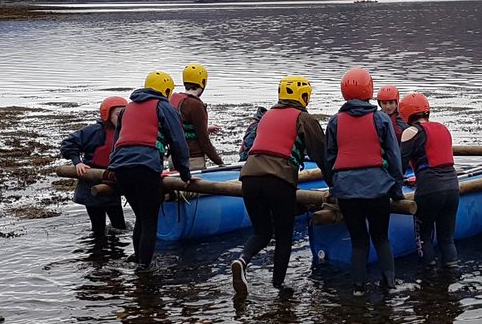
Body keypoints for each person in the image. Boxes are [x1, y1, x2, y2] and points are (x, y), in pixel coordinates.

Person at [232, 75, 327, 296]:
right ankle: (278, 285)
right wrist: (335, 185)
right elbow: (321, 155)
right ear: (303, 96)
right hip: (278, 180)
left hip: (249, 178)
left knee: (262, 232)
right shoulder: (304, 118)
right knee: (284, 235)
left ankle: (242, 260)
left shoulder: (266, 117)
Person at [326, 67, 404, 295]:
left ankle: (358, 287)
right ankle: (389, 284)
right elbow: (393, 156)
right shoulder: (380, 118)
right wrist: (396, 189)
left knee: (358, 241)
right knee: (381, 238)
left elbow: (330, 158)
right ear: (369, 90)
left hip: (347, 193)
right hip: (378, 190)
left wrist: (334, 187)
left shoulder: (335, 121)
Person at [107, 70, 192, 272]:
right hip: (145, 167)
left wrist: (111, 167)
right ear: (167, 90)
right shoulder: (163, 106)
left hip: (120, 168)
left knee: (141, 217)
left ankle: (139, 259)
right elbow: (178, 141)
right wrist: (185, 172)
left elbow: (117, 140)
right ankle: (144, 270)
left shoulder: (128, 109)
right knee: (150, 220)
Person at [398, 92, 460, 268]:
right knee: (447, 239)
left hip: (430, 190)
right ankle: (451, 275)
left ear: (405, 114)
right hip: (453, 187)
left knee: (424, 237)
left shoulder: (410, 132)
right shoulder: (443, 128)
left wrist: (394, 189)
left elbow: (400, 166)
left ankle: (428, 281)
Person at [60, 95, 128, 242]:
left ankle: (116, 258)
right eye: (118, 114)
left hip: (112, 184)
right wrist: (77, 162)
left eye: (124, 114)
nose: (121, 118)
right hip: (91, 185)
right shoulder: (93, 132)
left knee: (120, 227)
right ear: (106, 115)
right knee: (98, 230)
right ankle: (98, 258)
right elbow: (68, 144)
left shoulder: (125, 132)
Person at [169, 62, 224, 171]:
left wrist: (206, 129)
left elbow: (182, 128)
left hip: (174, 158)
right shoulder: (196, 105)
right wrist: (220, 163)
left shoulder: (174, 99)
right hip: (192, 160)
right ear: (203, 82)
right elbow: (204, 141)